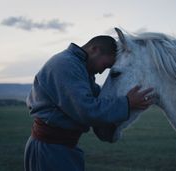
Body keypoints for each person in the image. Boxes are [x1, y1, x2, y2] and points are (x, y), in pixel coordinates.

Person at [24, 35, 153, 171]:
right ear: (95, 50)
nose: (102, 71)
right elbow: (86, 110)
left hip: (61, 149)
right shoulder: (66, 65)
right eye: (105, 65)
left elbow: (99, 98)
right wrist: (127, 103)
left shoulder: (80, 68)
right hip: (50, 150)